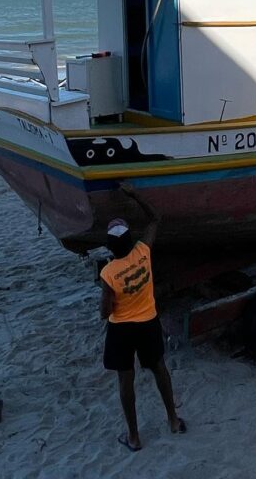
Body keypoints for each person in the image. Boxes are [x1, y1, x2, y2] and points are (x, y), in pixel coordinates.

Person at [100, 184, 186, 451]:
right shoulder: (143, 252)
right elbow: (155, 218)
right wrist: (134, 194)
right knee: (159, 368)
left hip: (121, 330)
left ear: (111, 247)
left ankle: (134, 437)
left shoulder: (109, 273)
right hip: (148, 322)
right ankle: (173, 419)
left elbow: (105, 312)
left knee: (126, 381)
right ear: (129, 240)